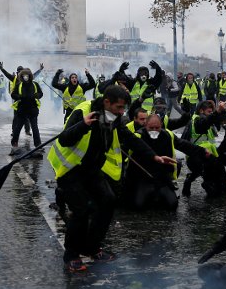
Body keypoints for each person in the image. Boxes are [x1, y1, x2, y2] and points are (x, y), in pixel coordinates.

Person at [48, 85, 176, 272]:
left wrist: (153, 156)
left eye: (124, 108)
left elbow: (128, 136)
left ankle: (92, 248)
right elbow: (65, 139)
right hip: (70, 170)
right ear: (107, 102)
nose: (122, 112)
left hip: (91, 169)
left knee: (108, 200)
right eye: (119, 107)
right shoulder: (83, 111)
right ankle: (71, 256)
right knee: (82, 210)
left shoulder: (113, 117)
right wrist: (83, 125)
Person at [124, 114, 208, 211]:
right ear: (145, 125)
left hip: (162, 178)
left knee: (172, 204)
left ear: (161, 125)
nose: (154, 130)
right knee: (138, 205)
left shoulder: (168, 135)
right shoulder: (138, 136)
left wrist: (202, 151)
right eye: (151, 128)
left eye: (157, 127)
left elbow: (184, 145)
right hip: (143, 178)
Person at [182, 100, 226, 198]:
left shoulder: (206, 120)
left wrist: (221, 111)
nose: (210, 114)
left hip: (206, 156)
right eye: (209, 112)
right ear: (201, 111)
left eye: (211, 112)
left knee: (219, 174)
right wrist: (217, 112)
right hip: (196, 158)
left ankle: (192, 179)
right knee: (215, 187)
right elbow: (204, 123)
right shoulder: (197, 120)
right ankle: (209, 185)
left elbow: (225, 120)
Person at [10, 68, 43, 153]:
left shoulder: (35, 84)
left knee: (35, 128)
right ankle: (14, 143)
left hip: (33, 109)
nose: (25, 77)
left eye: (27, 75)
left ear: (30, 76)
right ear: (21, 76)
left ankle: (38, 145)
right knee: (18, 127)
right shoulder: (19, 85)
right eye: (23, 76)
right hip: (22, 110)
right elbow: (13, 94)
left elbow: (41, 93)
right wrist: (19, 97)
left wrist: (37, 95)